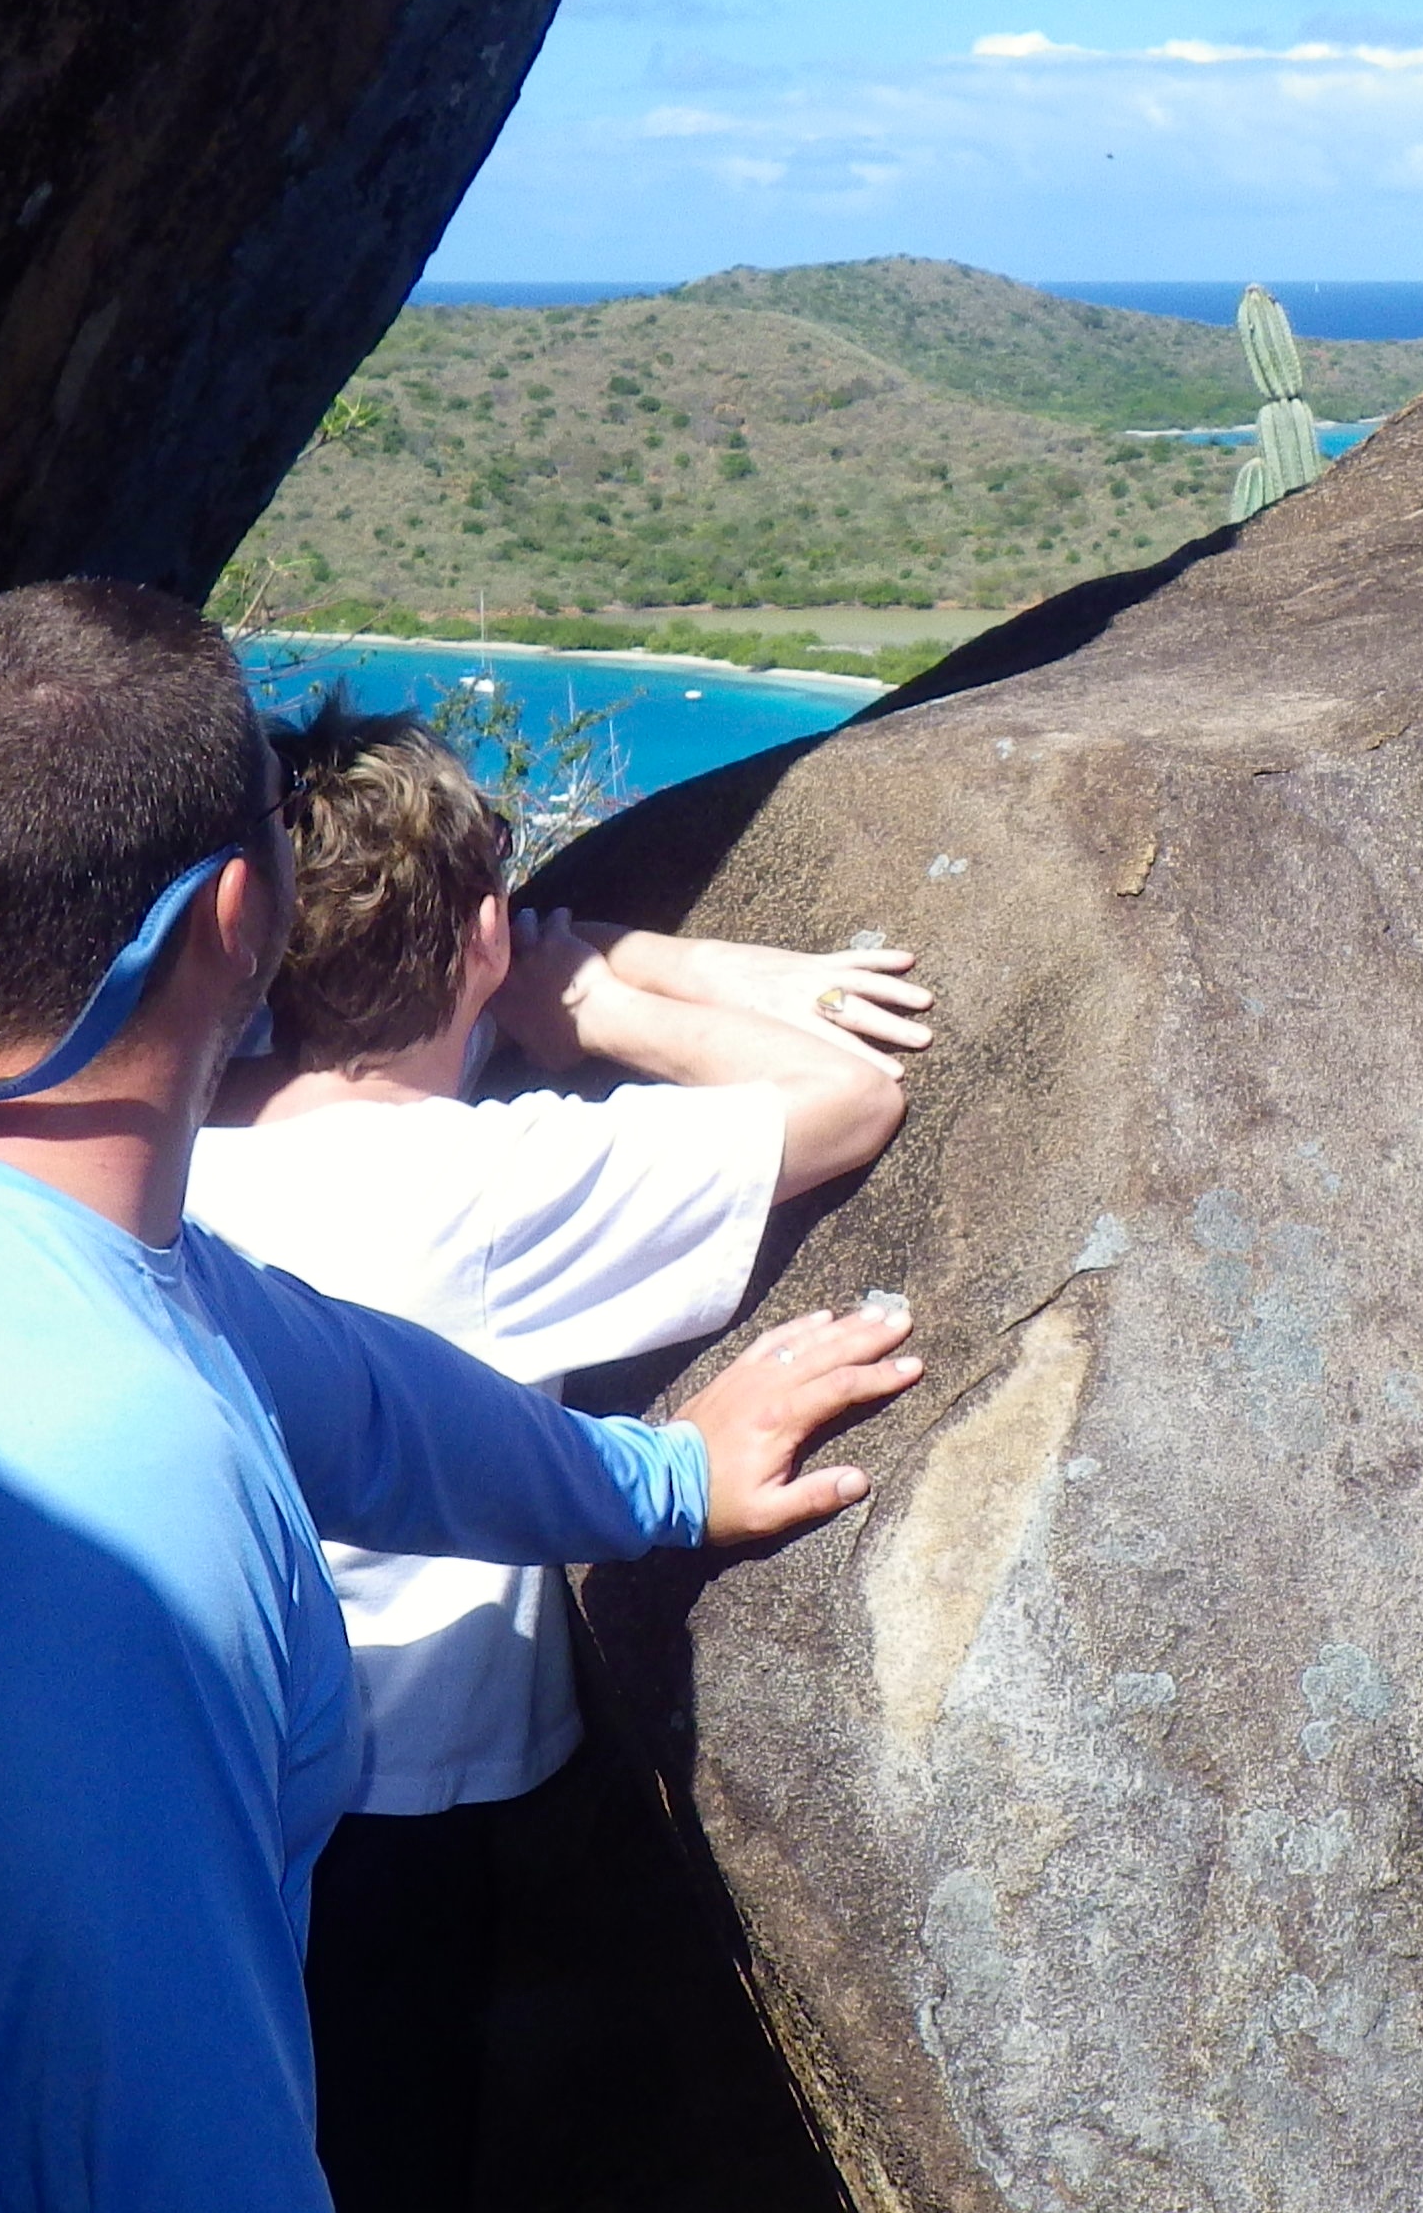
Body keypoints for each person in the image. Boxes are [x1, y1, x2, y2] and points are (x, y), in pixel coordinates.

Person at [0, 582, 919, 2213]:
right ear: (231, 915)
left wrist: (662, 1479)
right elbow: (168, 2158)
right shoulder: (98, 1525)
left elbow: (339, 1382)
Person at [183, 694, 931, 2213]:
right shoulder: (486, 1187)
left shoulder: (176, 1139)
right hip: (398, 1813)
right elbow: (852, 1096)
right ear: (480, 935)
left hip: (202, 1770)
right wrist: (587, 998)